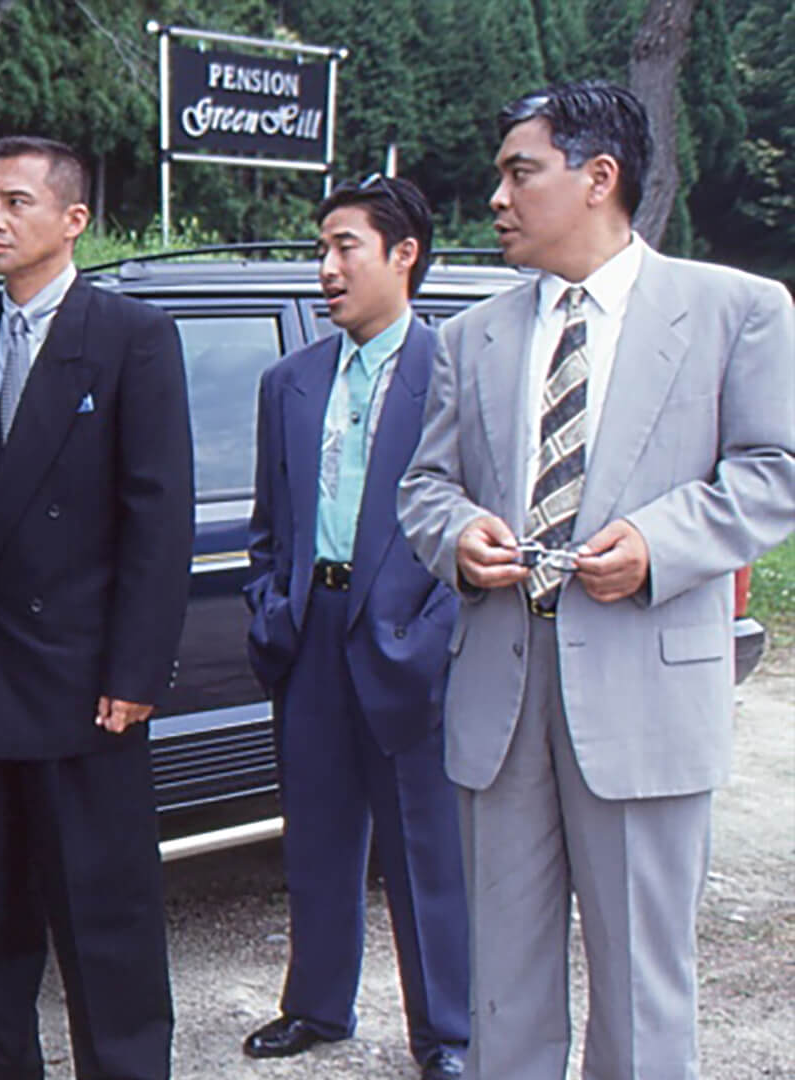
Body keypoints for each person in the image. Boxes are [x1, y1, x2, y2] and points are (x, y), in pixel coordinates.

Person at [398, 81, 795, 1079]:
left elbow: (773, 472)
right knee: (503, 985)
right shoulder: (471, 336)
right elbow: (425, 487)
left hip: (645, 691)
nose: (497, 197)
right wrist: (459, 537)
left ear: (599, 177)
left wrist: (659, 543)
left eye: (520, 172)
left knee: (642, 991)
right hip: (500, 695)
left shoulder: (736, 310)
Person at [0, 135, 193, 1080]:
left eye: (16, 203)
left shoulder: (130, 336)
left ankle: (126, 1067)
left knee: (104, 906)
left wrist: (136, 670)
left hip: (84, 674)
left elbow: (159, 517)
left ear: (73, 221)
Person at [242, 175, 467, 1080]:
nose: (326, 269)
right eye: (321, 249)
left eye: (346, 248)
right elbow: (270, 524)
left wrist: (436, 630)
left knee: (424, 846)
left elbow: (481, 516)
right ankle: (316, 1005)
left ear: (403, 254)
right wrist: (274, 606)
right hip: (312, 630)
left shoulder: (452, 372)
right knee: (318, 834)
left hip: (410, 631)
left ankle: (447, 1033)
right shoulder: (290, 382)